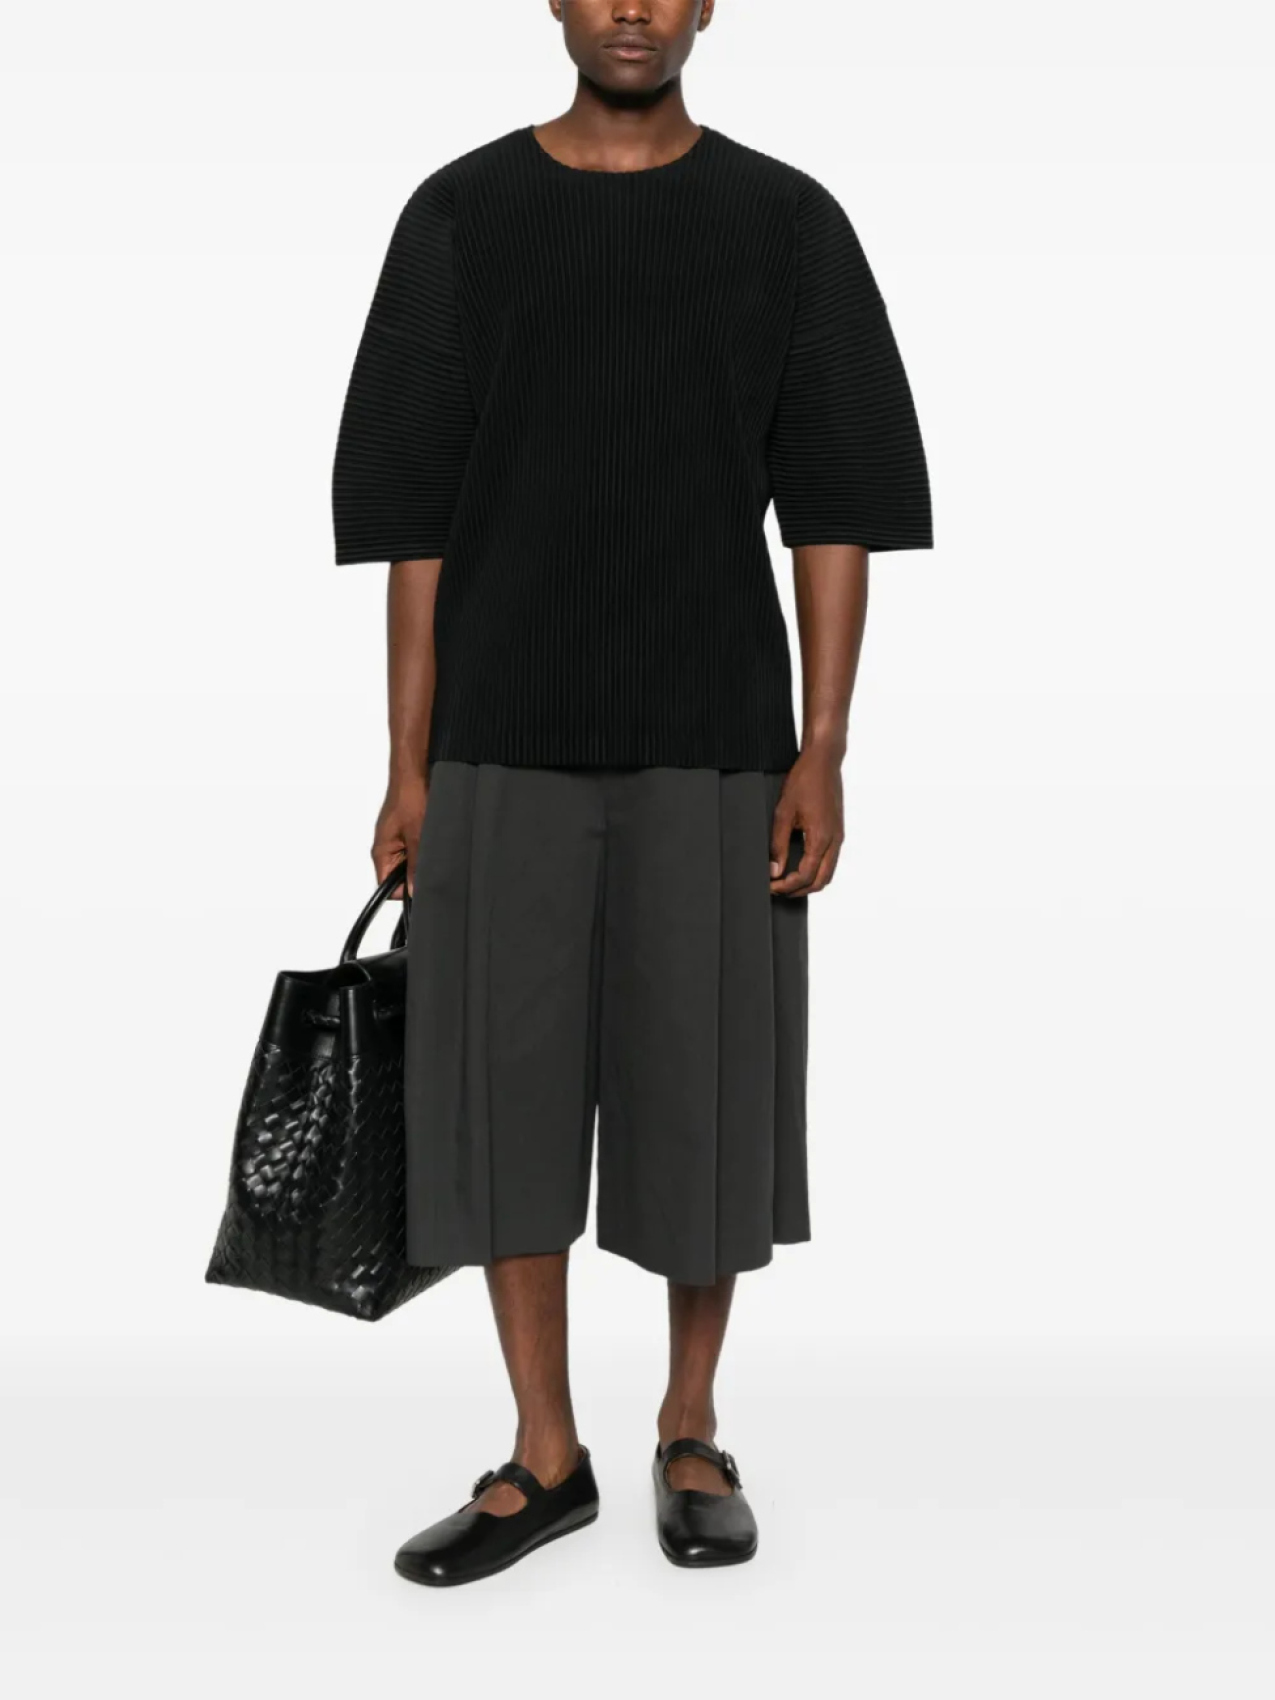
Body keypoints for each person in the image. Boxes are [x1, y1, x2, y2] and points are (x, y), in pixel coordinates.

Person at [331, 0, 932, 1586]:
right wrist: (406, 763)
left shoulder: (783, 222)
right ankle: (544, 1454)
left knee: (706, 1092)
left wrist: (824, 746)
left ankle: (690, 1427)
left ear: (710, 1)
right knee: (500, 1097)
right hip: (502, 735)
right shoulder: (462, 214)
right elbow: (411, 516)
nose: (633, 8)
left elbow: (839, 497)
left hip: (714, 736)